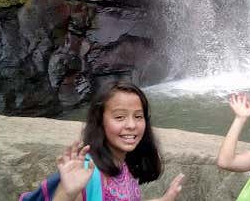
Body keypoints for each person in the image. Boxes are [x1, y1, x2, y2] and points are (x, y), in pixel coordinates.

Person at [53, 81, 184, 201]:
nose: (132, 125)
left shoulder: (123, 164)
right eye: (120, 117)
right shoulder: (86, 172)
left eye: (138, 116)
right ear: (100, 121)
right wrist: (66, 194)